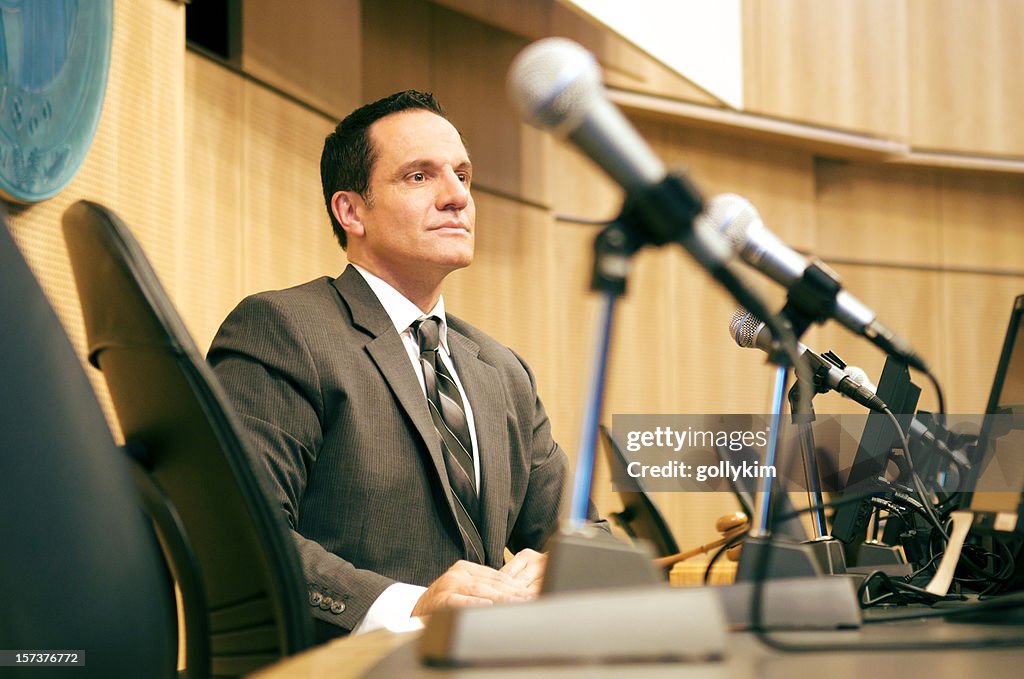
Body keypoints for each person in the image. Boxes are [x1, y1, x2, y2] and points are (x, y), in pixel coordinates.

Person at [209, 90, 576, 639]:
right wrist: (407, 608)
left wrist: (562, 567)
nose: (457, 197)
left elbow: (583, 530)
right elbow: (239, 534)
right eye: (419, 177)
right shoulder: (283, 330)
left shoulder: (502, 371)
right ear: (350, 210)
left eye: (462, 174)